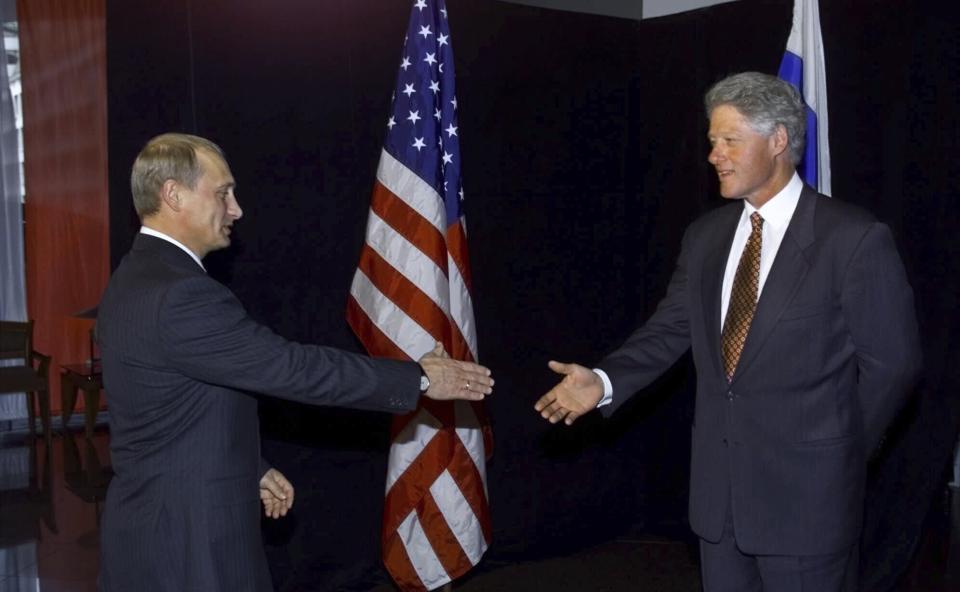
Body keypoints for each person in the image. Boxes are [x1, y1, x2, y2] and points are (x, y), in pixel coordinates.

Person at [534, 72, 921, 591]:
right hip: (719, 508)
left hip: (809, 506)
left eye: (730, 140)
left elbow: (893, 367)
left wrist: (840, 455)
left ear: (779, 140)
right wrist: (604, 380)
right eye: (712, 140)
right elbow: (670, 330)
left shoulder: (851, 239)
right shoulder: (705, 237)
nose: (714, 154)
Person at [96, 133, 494, 591]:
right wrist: (420, 379)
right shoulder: (181, 295)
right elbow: (291, 368)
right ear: (173, 194)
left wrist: (250, 466)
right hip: (190, 546)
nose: (237, 210)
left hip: (150, 530)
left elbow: (171, 411)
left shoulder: (133, 277)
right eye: (223, 193)